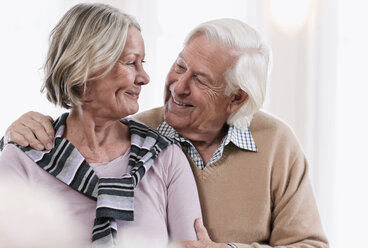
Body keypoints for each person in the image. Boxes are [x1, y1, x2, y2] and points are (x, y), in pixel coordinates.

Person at [1, 17, 329, 248]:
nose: (177, 86)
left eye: (200, 80)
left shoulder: (276, 144)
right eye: (180, 66)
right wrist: (15, 138)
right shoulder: (138, 131)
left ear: (237, 98)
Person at [0, 3, 202, 248]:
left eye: (143, 63)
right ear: (86, 67)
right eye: (130, 63)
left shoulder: (165, 158)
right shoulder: (23, 157)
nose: (144, 78)